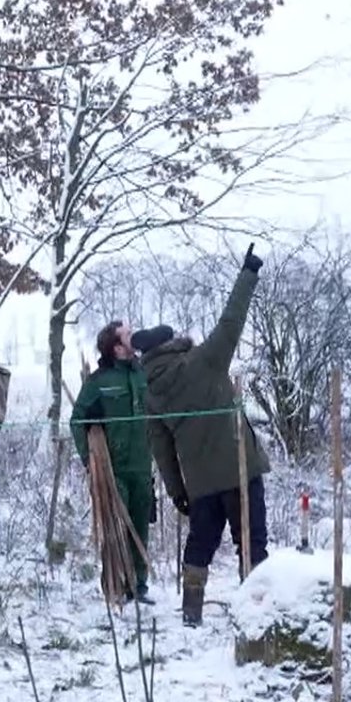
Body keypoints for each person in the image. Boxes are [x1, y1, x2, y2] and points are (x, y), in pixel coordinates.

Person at [138, 244, 271, 627]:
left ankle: (192, 612)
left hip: (199, 484)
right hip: (239, 470)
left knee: (200, 545)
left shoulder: (151, 393)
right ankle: (257, 610)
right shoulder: (204, 361)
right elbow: (232, 322)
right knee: (252, 543)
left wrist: (178, 491)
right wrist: (248, 274)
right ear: (171, 344)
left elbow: (161, 450)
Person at [71, 319, 155, 604]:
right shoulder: (99, 381)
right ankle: (116, 583)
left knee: (141, 524)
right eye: (128, 335)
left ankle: (139, 585)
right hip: (112, 469)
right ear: (117, 347)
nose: (134, 337)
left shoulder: (143, 373)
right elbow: (77, 420)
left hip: (142, 465)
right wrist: (88, 460)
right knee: (116, 527)